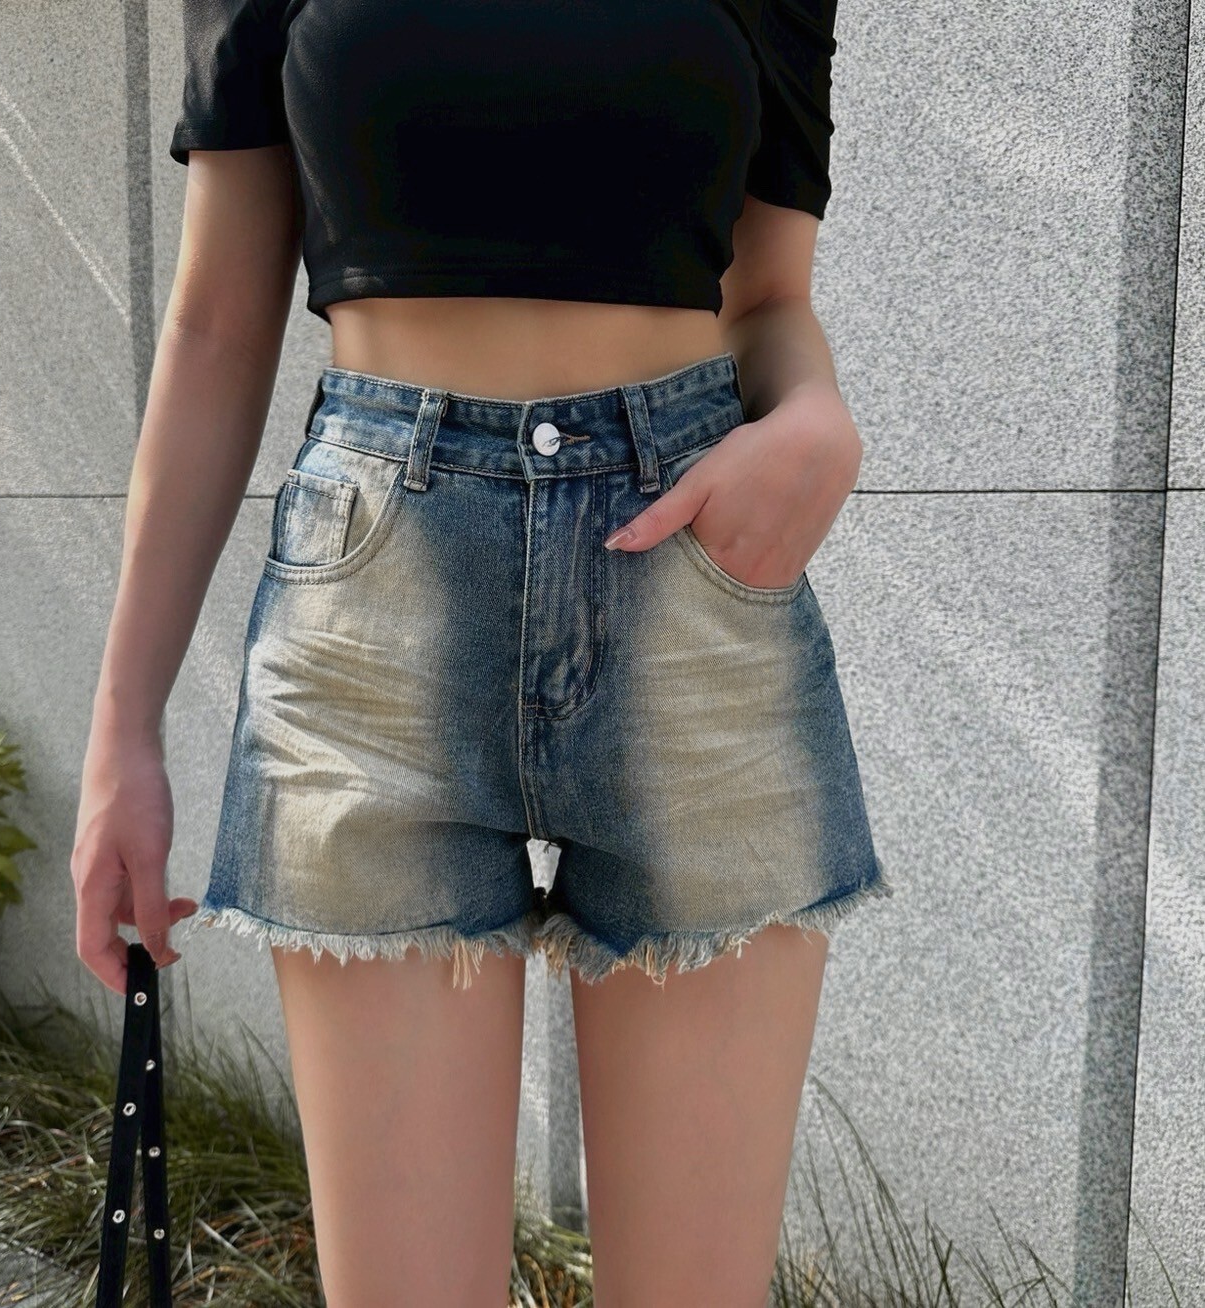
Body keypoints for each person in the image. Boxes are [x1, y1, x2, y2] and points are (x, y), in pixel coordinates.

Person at [72, 0, 893, 1301]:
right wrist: (123, 732)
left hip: (688, 587)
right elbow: (215, 324)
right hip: (374, 616)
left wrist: (818, 412)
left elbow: (770, 299)